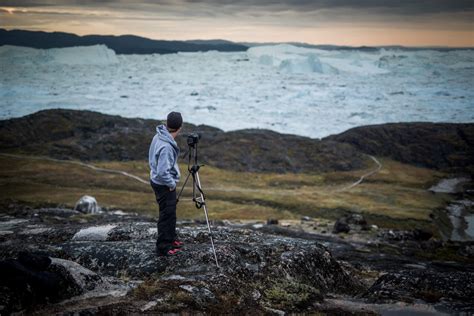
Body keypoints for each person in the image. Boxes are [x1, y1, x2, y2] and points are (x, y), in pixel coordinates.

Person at [149, 111, 184, 256]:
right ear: (180, 127)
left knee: (170, 213)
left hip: (156, 180)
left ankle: (171, 238)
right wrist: (171, 184)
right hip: (163, 184)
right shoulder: (167, 147)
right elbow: (163, 172)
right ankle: (163, 248)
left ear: (167, 124)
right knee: (166, 215)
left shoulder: (159, 135)